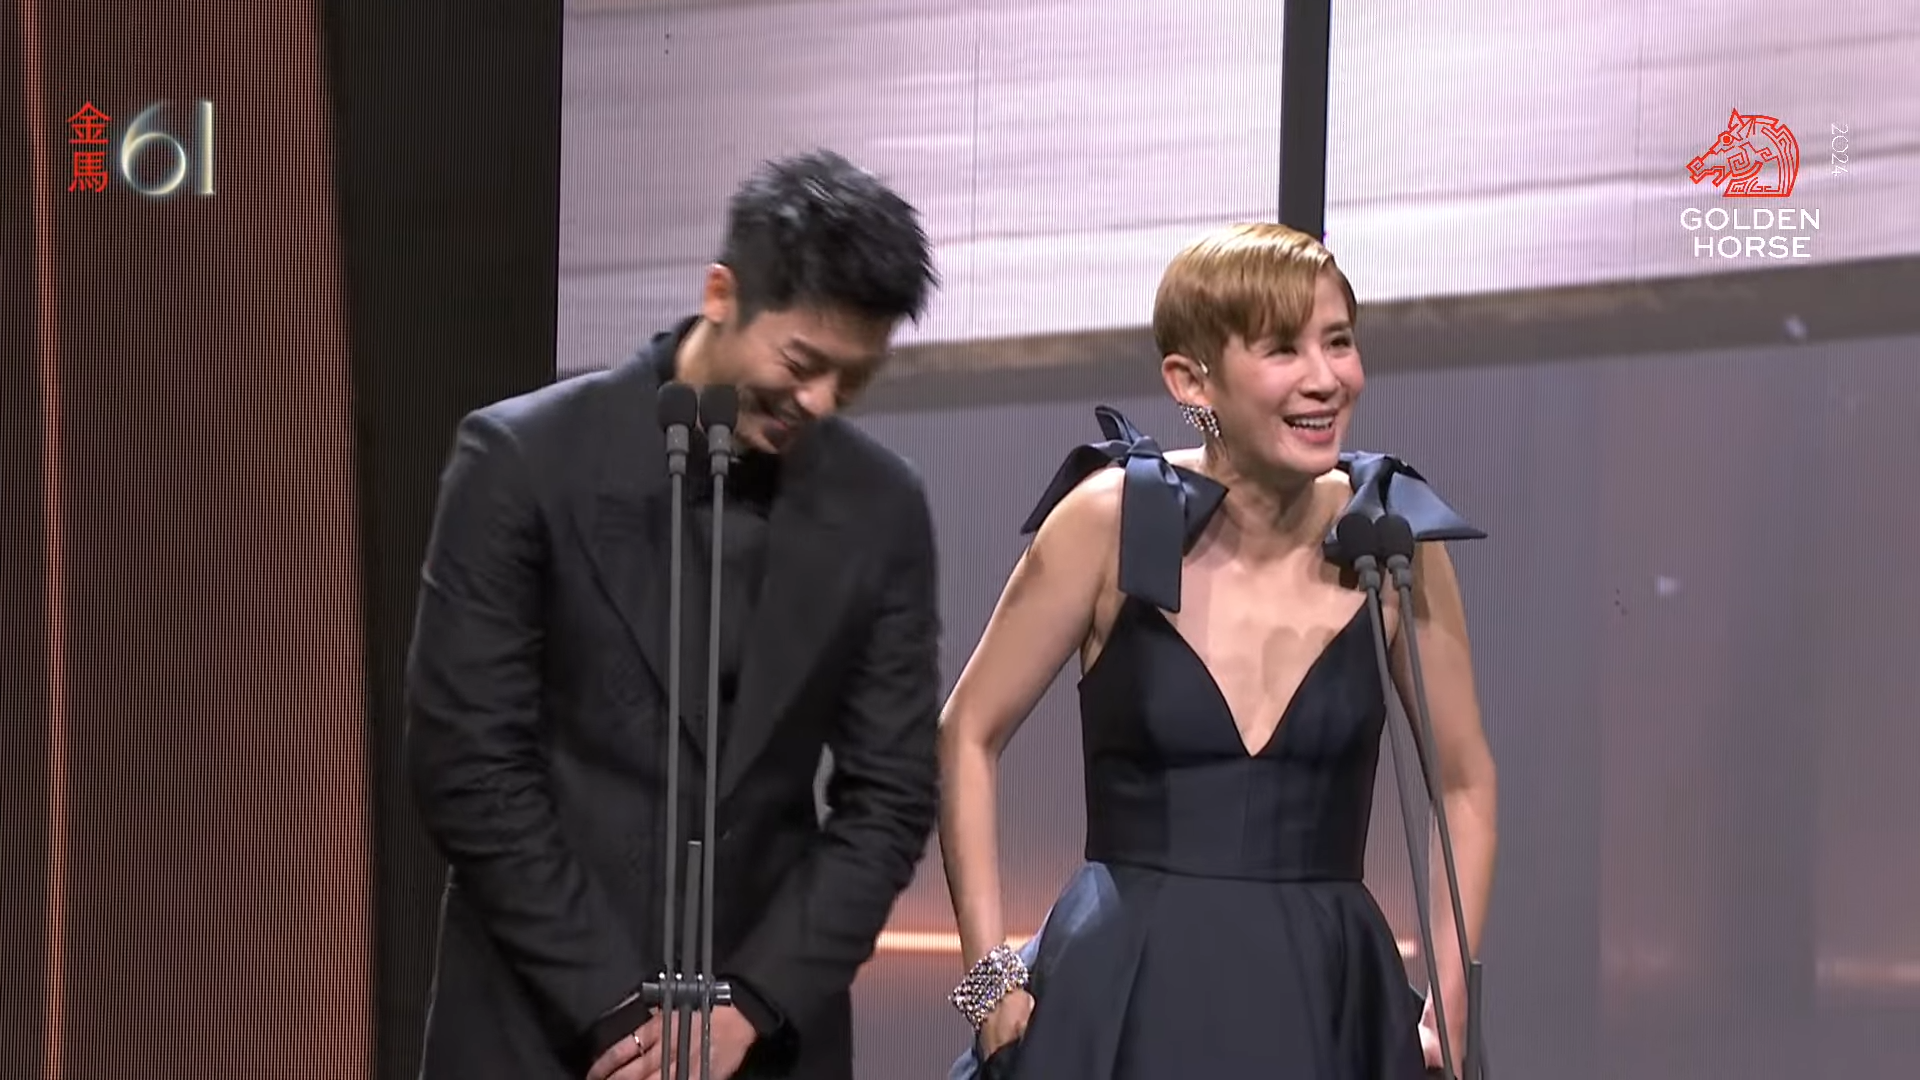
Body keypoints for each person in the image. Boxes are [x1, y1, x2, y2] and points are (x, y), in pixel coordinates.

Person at [406, 149, 943, 1080]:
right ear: (721, 293)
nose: (819, 402)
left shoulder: (882, 507)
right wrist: (618, 1013)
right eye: (803, 363)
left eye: (852, 381)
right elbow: (468, 760)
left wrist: (753, 1003)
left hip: (759, 1040)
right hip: (537, 1022)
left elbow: (890, 795)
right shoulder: (523, 461)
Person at [936, 222, 1499, 1078]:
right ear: (1191, 380)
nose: (1325, 377)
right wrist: (989, 986)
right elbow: (967, 732)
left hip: (1324, 1000)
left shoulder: (1389, 538)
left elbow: (1464, 780)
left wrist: (1448, 1008)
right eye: (1283, 349)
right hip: (1126, 991)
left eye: (1338, 341)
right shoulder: (1108, 521)